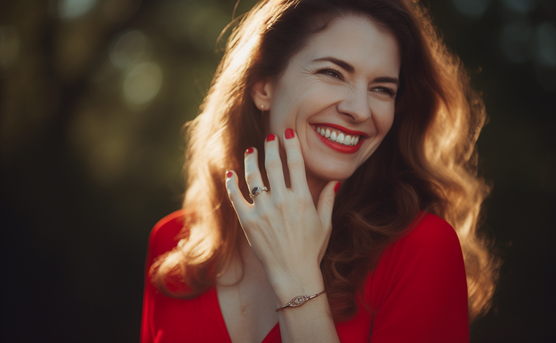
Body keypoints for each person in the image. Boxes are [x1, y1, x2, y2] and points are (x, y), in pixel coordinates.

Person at [141, 0, 499, 342]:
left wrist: (297, 279)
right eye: (332, 72)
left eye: (382, 89)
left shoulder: (422, 251)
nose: (360, 110)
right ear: (262, 85)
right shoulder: (174, 244)